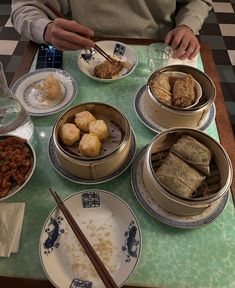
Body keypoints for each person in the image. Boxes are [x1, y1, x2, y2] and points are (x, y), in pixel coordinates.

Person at [11, 0, 212, 60]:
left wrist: (187, 25)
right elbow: (25, 7)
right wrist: (45, 29)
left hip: (157, 50)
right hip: (84, 50)